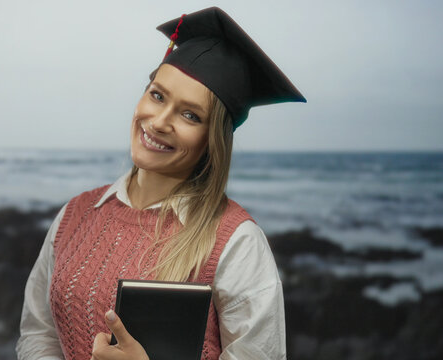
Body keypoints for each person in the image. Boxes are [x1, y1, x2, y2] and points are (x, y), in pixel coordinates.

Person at [16, 7, 305, 360]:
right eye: (157, 95)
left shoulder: (237, 242)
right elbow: (38, 333)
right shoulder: (74, 216)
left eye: (190, 115)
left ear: (211, 140)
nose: (158, 122)